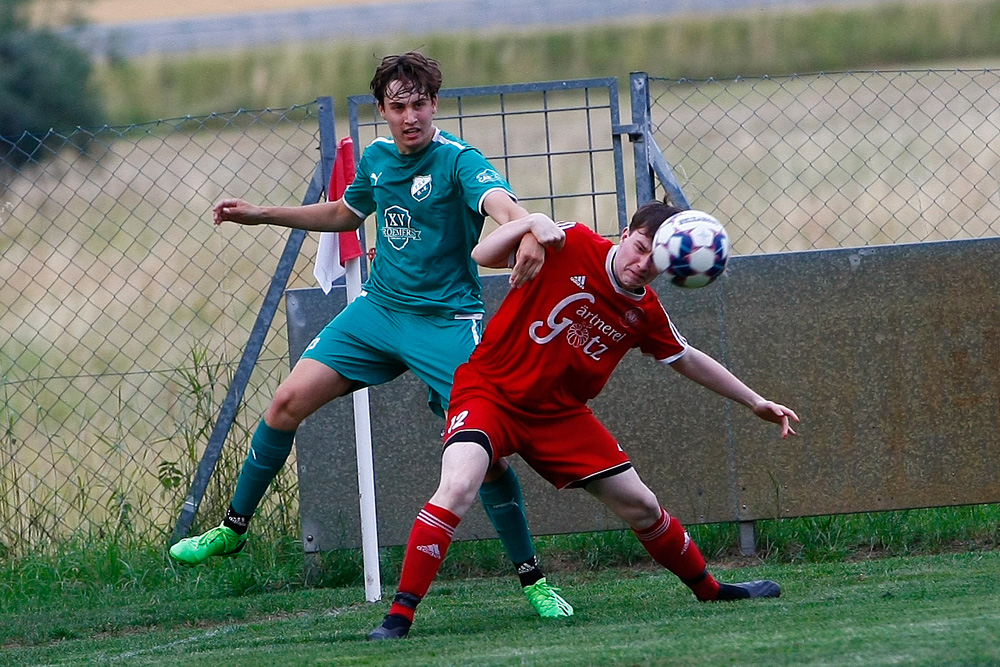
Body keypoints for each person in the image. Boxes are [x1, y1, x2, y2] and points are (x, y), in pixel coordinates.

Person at [169, 51, 574, 618]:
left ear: (434, 104)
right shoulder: (379, 159)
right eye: (398, 106)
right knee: (285, 403)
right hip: (378, 311)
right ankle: (234, 528)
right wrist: (261, 213)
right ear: (383, 110)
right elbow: (344, 214)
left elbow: (502, 205)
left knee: (487, 457)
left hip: (447, 323)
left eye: (419, 104)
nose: (411, 116)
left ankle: (533, 580)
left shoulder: (459, 160)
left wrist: (527, 227)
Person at [368, 199, 800, 640]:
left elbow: (686, 357)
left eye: (658, 258)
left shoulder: (645, 312)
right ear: (626, 232)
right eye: (640, 246)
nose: (644, 263)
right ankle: (399, 617)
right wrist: (533, 224)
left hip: (558, 416)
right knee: (458, 486)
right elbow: (483, 256)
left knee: (643, 505)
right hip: (489, 392)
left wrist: (754, 401)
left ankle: (710, 590)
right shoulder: (569, 241)